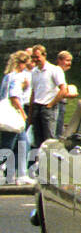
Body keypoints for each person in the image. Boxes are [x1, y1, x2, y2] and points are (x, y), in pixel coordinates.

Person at [1, 51, 33, 184]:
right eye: (26, 63)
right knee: (8, 146)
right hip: (13, 115)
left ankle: (21, 174)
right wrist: (22, 112)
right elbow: (14, 97)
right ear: (21, 63)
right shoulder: (17, 77)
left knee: (23, 143)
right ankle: (19, 174)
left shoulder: (7, 76)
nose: (27, 66)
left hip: (6, 112)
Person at [27, 45, 67, 148]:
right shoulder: (34, 72)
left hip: (48, 107)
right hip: (37, 106)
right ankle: (38, 161)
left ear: (44, 55)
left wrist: (51, 104)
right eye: (33, 57)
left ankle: (50, 162)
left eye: (37, 57)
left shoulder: (54, 70)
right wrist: (30, 114)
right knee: (37, 140)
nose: (35, 60)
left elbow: (63, 90)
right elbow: (33, 92)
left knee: (49, 139)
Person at [54, 51, 74, 136]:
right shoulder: (58, 71)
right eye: (67, 60)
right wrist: (72, 94)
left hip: (60, 102)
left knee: (60, 125)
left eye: (70, 61)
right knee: (58, 127)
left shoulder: (60, 72)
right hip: (58, 102)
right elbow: (60, 90)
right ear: (59, 60)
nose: (69, 63)